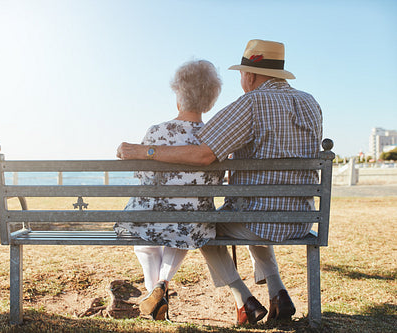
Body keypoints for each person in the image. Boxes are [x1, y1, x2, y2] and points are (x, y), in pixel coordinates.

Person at [117, 39, 323, 325]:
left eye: (241, 74)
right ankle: (278, 293)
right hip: (301, 218)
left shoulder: (251, 103)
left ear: (249, 75)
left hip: (259, 219)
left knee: (205, 226)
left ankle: (244, 298)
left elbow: (203, 154)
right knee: (255, 214)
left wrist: (146, 151)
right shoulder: (310, 102)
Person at [114, 59, 224, 320]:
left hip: (150, 216)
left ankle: (154, 292)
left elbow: (142, 175)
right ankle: (161, 285)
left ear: (178, 96)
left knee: (146, 240)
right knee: (182, 229)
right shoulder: (216, 136)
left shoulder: (156, 132)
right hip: (193, 220)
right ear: (210, 101)